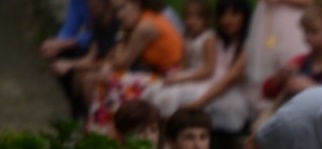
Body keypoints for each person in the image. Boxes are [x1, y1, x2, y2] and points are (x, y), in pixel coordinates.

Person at [83, 0, 186, 135]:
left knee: (113, 81)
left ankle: (111, 133)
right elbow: (114, 55)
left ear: (136, 4)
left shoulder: (145, 27)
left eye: (122, 9)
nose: (119, 16)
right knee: (99, 78)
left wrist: (121, 36)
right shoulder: (140, 21)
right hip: (155, 73)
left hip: (169, 76)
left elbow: (123, 62)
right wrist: (107, 65)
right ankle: (99, 131)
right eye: (116, 11)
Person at [158, 0, 248, 134]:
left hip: (225, 92)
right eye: (224, 15)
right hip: (209, 84)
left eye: (235, 14)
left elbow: (227, 79)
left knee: (185, 102)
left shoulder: (246, 46)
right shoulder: (219, 40)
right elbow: (186, 64)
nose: (228, 20)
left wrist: (199, 102)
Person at [259, 0, 322, 105]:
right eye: (306, 31)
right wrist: (280, 76)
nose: (308, 37)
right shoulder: (301, 61)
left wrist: (312, 88)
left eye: (314, 31)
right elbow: (266, 92)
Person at [242, 0, 307, 117]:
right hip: (266, 17)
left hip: (290, 19)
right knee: (263, 59)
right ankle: (261, 109)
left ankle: (290, 102)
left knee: (289, 62)